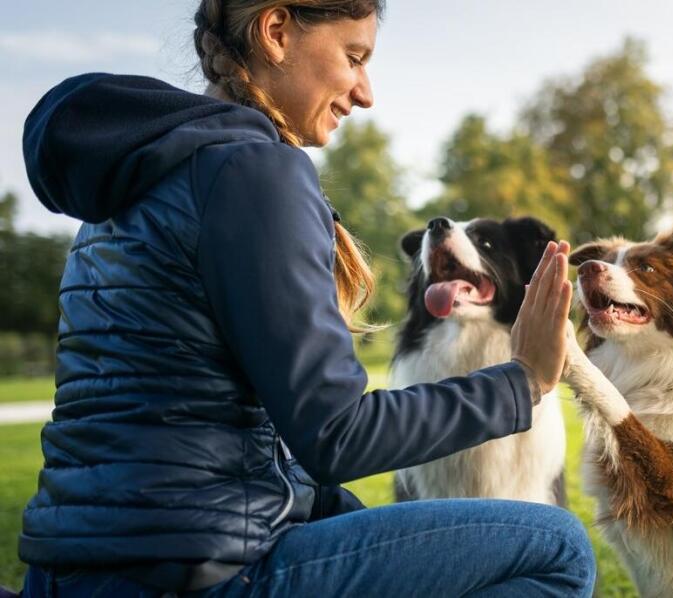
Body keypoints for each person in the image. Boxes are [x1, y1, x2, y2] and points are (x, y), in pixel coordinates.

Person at [18, 1, 595, 596]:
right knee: (558, 545)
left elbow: (222, 428)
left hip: (80, 568)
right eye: (354, 57)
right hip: (201, 575)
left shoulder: (134, 180)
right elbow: (337, 435)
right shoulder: (253, 170)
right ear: (276, 32)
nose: (364, 92)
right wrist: (521, 379)